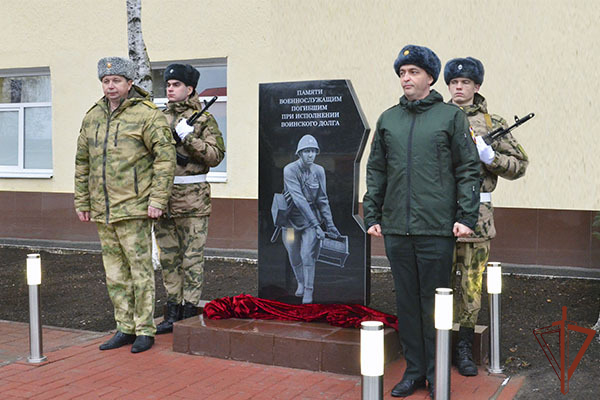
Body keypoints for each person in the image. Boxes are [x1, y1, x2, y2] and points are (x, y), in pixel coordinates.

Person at [363, 45, 480, 398]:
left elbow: (468, 168)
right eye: (402, 73)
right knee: (407, 303)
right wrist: (372, 214)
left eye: (413, 72)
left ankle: (435, 373)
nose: (406, 79)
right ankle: (414, 371)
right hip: (397, 228)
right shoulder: (388, 119)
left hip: (436, 229)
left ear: (430, 77)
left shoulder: (450, 117)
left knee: (433, 304)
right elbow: (376, 171)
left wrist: (465, 217)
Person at [74, 56, 176, 353]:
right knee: (115, 273)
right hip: (104, 210)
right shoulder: (93, 116)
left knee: (139, 271)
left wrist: (157, 199)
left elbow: (165, 160)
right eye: (106, 81)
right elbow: (83, 162)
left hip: (135, 207)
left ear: (130, 83)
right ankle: (124, 327)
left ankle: (145, 328)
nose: (110, 86)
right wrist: (83, 199)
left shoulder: (147, 115)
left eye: (117, 80)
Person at [444, 57, 529, 376]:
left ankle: (464, 345)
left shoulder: (494, 123)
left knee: (470, 284)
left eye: (465, 83)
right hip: (438, 216)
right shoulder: (438, 117)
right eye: (453, 82)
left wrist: (491, 157)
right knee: (438, 283)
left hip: (477, 219)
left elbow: (520, 165)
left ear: (476, 86)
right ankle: (437, 342)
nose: (458, 87)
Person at [154, 64, 226, 334]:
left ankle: (188, 310)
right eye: (168, 85)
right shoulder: (158, 118)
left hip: (193, 202)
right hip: (163, 200)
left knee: (191, 259)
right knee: (169, 259)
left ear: (190, 89)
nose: (170, 89)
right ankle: (172, 310)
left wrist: (190, 138)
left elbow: (215, 156)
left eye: (176, 85)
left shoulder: (203, 119)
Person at [280, 134, 340, 304]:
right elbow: (298, 199)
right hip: (290, 222)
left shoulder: (319, 171)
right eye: (306, 151)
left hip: (310, 221)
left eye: (313, 151)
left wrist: (329, 224)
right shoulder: (290, 169)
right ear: (299, 153)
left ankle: (308, 290)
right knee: (293, 253)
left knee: (307, 254)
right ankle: (300, 282)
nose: (310, 155)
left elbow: (322, 199)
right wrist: (318, 225)